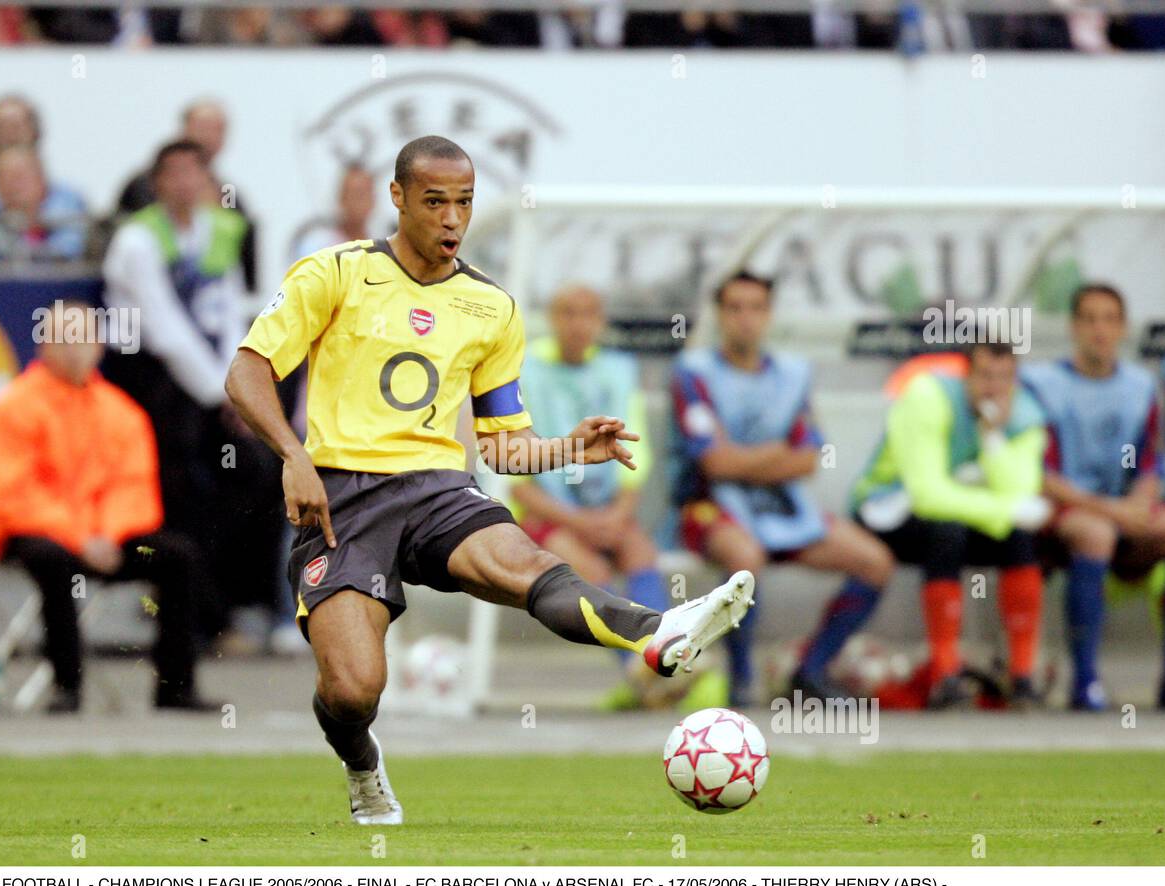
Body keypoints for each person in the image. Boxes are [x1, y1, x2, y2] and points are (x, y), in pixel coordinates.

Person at [225, 135, 755, 825]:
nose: (452, 219)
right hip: (341, 498)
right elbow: (246, 372)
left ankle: (658, 632)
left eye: (465, 203)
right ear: (398, 199)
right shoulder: (334, 273)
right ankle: (361, 762)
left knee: (529, 565)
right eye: (435, 202)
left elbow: (505, 449)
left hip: (438, 490)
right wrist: (293, 456)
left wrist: (569, 448)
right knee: (354, 691)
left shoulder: (491, 308)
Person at [0, 301, 211, 713]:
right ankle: (67, 684)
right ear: (43, 346)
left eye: (83, 339)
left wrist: (108, 534)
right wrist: (81, 538)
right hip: (35, 534)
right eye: (64, 340)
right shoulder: (13, 405)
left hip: (107, 538)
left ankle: (175, 688)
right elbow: (18, 493)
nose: (74, 350)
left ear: (99, 347)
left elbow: (134, 487)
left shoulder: (121, 412)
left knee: (178, 557)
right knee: (51, 560)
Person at [671, 270, 893, 707]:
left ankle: (810, 669)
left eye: (755, 308)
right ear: (719, 315)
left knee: (874, 562)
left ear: (769, 314)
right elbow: (713, 462)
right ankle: (742, 682)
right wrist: (773, 455)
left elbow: (808, 458)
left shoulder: (792, 376)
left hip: (782, 506)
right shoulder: (693, 373)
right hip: (710, 507)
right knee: (745, 560)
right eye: (734, 308)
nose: (745, 319)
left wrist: (743, 459)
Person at [104, 139, 283, 650]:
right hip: (153, 386)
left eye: (194, 173)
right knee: (175, 497)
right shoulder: (137, 240)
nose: (185, 184)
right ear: (158, 183)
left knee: (255, 476)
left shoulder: (220, 231)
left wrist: (238, 385)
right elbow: (164, 328)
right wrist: (221, 392)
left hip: (211, 386)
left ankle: (240, 604)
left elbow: (227, 313)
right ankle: (192, 622)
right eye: (173, 174)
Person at [852, 341, 1050, 708]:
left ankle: (1021, 676)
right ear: (966, 375)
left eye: (1004, 378)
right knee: (949, 533)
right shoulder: (927, 396)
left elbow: (1020, 488)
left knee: (1018, 539)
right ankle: (945, 674)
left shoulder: (1025, 415)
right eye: (985, 376)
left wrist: (991, 436)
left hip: (963, 513)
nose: (993, 387)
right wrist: (1002, 511)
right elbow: (927, 494)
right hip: (889, 507)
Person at [1022, 283, 1165, 711]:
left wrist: (1141, 502)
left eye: (1109, 319)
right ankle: (1086, 679)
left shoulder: (1139, 387)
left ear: (1122, 328)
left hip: (1121, 510)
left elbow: (1149, 462)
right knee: (1095, 534)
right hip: (1066, 511)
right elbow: (1039, 474)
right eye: (1089, 319)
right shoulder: (1043, 384)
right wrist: (1111, 510)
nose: (1099, 329)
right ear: (1074, 326)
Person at [511, 283, 670, 706]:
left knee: (640, 552)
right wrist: (581, 522)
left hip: (604, 510)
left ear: (600, 321)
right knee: (591, 572)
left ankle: (664, 663)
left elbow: (636, 457)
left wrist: (618, 515)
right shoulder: (524, 370)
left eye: (587, 314)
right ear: (551, 319)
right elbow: (516, 482)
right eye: (567, 312)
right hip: (546, 514)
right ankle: (647, 677)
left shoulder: (618, 371)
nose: (578, 324)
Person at [115, 99, 259, 291]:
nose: (209, 137)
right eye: (202, 127)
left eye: (217, 129)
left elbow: (242, 242)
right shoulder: (143, 184)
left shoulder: (227, 192)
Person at [289, 163, 376, 263]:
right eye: (355, 194)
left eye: (365, 194)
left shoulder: (386, 246)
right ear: (341, 199)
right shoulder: (319, 247)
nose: (360, 202)